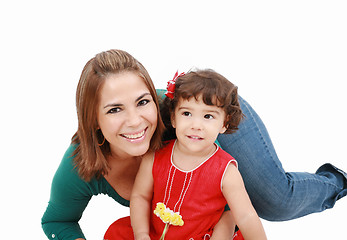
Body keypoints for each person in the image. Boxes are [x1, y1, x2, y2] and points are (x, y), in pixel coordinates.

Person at [41, 49, 347, 240]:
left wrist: (227, 224)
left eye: (142, 102)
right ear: (92, 119)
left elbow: (228, 197)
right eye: (114, 109)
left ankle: (336, 181)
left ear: (157, 101)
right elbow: (56, 220)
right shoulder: (79, 166)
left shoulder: (185, 120)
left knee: (276, 201)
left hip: (212, 111)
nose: (135, 122)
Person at [104, 69, 267, 240]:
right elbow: (140, 196)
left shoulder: (227, 171)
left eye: (208, 116)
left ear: (224, 124)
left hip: (201, 235)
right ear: (173, 118)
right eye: (187, 114)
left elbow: (246, 216)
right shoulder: (154, 156)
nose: (196, 125)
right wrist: (142, 234)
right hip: (155, 231)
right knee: (116, 232)